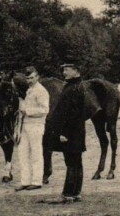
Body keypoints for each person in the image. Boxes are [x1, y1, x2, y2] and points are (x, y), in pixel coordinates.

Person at [48, 57, 87, 203]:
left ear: (76, 71)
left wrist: (65, 132)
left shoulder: (75, 88)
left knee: (72, 162)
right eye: (63, 69)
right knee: (75, 161)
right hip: (74, 133)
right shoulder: (72, 86)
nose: (64, 72)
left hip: (71, 133)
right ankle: (75, 192)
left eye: (67, 69)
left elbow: (73, 114)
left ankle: (69, 193)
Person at [15, 66, 49, 191]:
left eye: (32, 77)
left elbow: (45, 110)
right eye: (28, 78)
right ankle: (25, 181)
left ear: (37, 77)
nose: (29, 80)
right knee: (22, 153)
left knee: (36, 153)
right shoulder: (29, 90)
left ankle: (36, 181)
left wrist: (27, 111)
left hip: (36, 125)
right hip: (25, 125)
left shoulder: (41, 91)